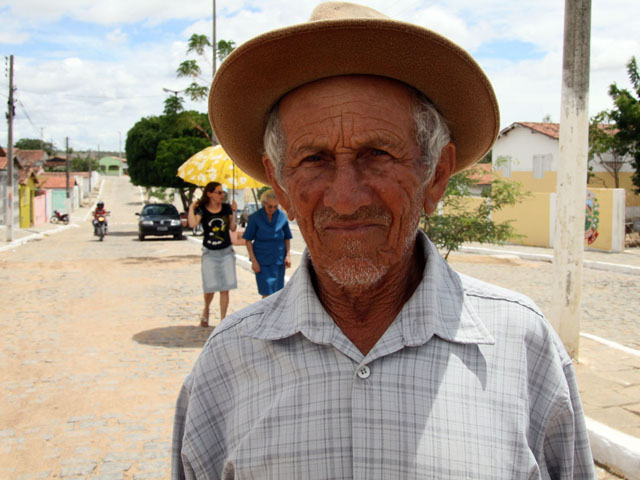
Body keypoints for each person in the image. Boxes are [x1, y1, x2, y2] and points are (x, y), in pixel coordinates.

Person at [173, 3, 596, 478]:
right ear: (281, 183)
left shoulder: (525, 348)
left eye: (378, 153)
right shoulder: (226, 364)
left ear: (435, 176)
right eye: (314, 158)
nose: (347, 199)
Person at [187, 181, 237, 327]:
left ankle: (223, 320)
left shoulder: (226, 208)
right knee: (210, 288)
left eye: (223, 193)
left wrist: (234, 212)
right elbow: (192, 224)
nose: (222, 195)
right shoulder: (202, 209)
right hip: (209, 252)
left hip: (226, 251)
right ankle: (206, 309)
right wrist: (191, 208)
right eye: (219, 192)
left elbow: (233, 228)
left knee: (225, 288)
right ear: (209, 194)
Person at [242, 189, 292, 297]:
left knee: (278, 293)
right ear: (264, 203)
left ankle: (276, 314)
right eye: (269, 206)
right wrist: (254, 261)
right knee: (266, 293)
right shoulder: (255, 218)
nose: (272, 209)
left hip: (278, 261)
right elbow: (248, 240)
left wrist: (288, 255)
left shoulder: (282, 216)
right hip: (262, 262)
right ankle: (268, 314)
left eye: (275, 206)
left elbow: (287, 238)